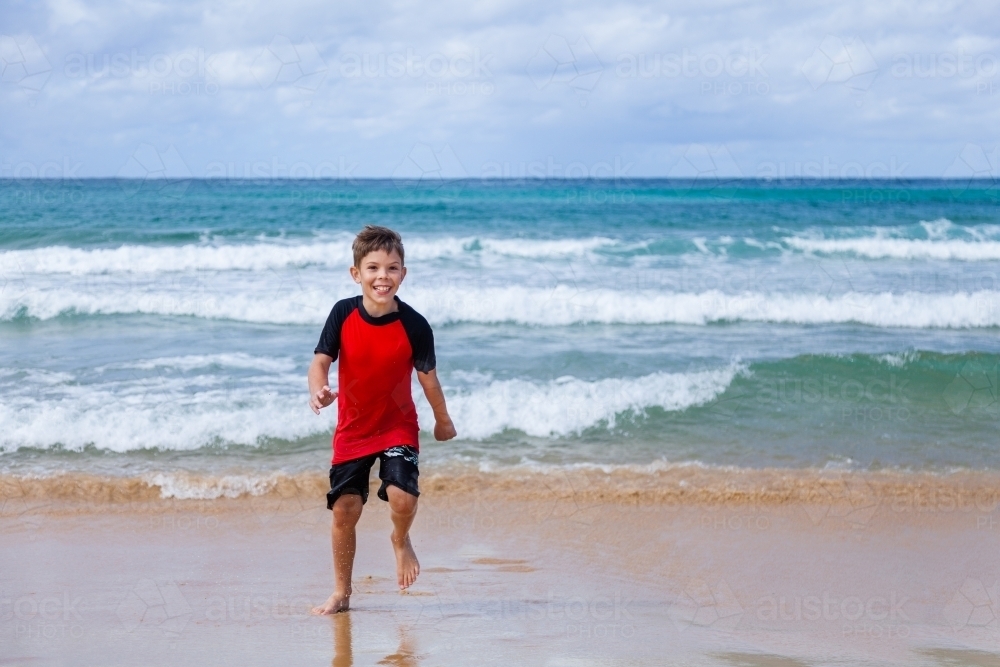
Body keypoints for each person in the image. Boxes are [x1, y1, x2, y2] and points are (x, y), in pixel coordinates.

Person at [307, 225, 457, 615]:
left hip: (397, 425)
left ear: (403, 274)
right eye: (373, 267)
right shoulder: (342, 313)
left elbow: (429, 380)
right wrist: (318, 389)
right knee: (345, 510)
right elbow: (320, 361)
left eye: (392, 268)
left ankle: (400, 539)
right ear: (356, 273)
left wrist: (443, 421)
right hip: (353, 429)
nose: (382, 276)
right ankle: (342, 592)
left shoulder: (415, 325)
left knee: (403, 498)